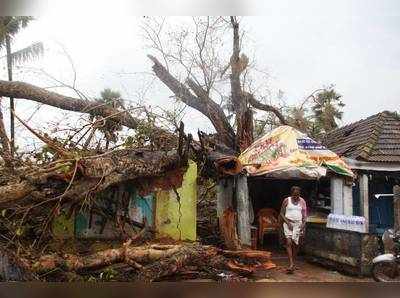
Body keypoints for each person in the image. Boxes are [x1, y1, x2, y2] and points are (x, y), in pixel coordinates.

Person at [279, 186, 307, 274]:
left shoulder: (302, 201)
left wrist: (303, 224)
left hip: (298, 224)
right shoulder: (286, 200)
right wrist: (287, 223)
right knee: (289, 242)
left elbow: (305, 215)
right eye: (294, 195)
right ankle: (291, 263)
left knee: (296, 244)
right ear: (291, 194)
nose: (296, 197)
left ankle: (293, 262)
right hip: (288, 224)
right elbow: (282, 213)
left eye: (298, 195)